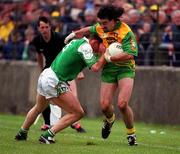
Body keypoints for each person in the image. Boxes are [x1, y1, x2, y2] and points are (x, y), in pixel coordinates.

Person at [64, 4, 138, 146]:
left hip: (125, 69)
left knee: (122, 104)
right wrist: (73, 35)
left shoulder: (126, 31)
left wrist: (111, 57)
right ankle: (109, 120)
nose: (102, 26)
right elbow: (88, 29)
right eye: (101, 23)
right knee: (104, 106)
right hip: (109, 69)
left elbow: (130, 54)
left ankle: (131, 134)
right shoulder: (101, 27)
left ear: (114, 20)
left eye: (105, 23)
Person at [15, 35, 106, 144]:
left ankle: (22, 132)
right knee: (77, 113)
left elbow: (75, 59)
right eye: (103, 45)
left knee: (38, 107)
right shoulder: (85, 47)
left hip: (46, 75)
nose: (103, 48)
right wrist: (106, 55)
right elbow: (95, 67)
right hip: (55, 81)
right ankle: (47, 136)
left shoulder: (79, 42)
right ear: (95, 42)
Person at [32, 16, 86, 132]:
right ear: (38, 28)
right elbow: (39, 56)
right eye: (42, 27)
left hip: (65, 70)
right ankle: (47, 123)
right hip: (49, 72)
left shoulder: (60, 38)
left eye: (46, 27)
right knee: (44, 99)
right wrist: (41, 70)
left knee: (73, 96)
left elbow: (72, 54)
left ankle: (75, 123)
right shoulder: (37, 40)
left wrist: (79, 71)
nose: (44, 30)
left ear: (50, 27)